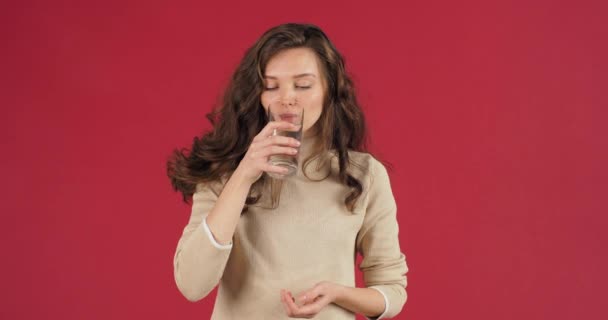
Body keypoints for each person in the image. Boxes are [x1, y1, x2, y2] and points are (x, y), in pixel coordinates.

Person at [167, 23, 409, 320]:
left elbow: (392, 290)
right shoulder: (227, 173)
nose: (287, 98)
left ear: (329, 89)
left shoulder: (364, 175)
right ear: (258, 95)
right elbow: (192, 284)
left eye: (303, 85)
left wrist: (338, 294)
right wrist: (244, 174)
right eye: (271, 86)